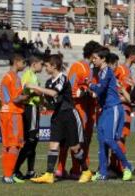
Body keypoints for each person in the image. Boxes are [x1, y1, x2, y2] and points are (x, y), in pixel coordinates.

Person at [28, 55, 92, 184]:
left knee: (75, 148)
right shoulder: (48, 82)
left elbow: (54, 93)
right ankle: (49, 174)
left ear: (54, 66)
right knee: (53, 144)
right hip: (57, 116)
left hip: (69, 115)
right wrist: (41, 101)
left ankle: (86, 171)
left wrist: (35, 87)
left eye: (47, 65)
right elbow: (50, 101)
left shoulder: (62, 78)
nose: (45, 68)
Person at [55, 41, 101, 179]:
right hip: (78, 108)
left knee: (85, 140)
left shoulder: (93, 69)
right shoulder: (78, 66)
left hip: (89, 108)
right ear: (93, 54)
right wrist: (85, 91)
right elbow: (71, 89)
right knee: (74, 140)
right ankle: (66, 168)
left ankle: (79, 168)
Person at [88, 49, 133, 181]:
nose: (93, 60)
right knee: (102, 141)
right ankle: (103, 172)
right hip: (105, 109)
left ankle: (127, 166)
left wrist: (89, 84)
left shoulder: (107, 71)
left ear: (103, 59)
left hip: (113, 108)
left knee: (109, 139)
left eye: (95, 58)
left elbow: (100, 89)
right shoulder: (101, 72)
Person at [109, 45, 135, 174]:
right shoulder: (120, 68)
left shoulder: (128, 70)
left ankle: (115, 165)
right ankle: (121, 165)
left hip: (126, 106)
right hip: (120, 107)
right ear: (132, 56)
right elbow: (111, 83)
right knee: (119, 137)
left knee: (121, 137)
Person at [0, 54, 28, 184]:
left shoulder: (6, 76)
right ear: (16, 62)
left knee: (6, 145)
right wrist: (26, 96)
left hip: (4, 112)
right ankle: (8, 175)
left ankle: (6, 174)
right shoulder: (15, 78)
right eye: (23, 62)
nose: (24, 65)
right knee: (15, 144)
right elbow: (16, 98)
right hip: (13, 114)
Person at [13, 56, 43, 180]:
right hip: (30, 109)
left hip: (35, 108)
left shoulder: (34, 76)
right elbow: (25, 87)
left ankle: (30, 171)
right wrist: (36, 91)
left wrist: (41, 102)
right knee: (31, 140)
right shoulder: (28, 74)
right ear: (34, 64)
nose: (42, 67)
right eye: (41, 64)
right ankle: (15, 169)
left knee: (33, 141)